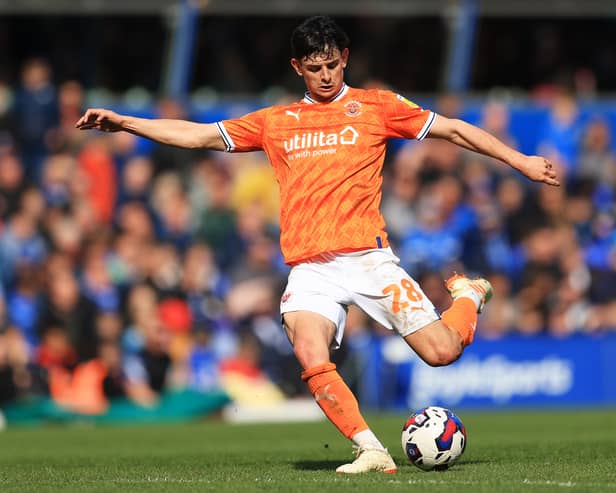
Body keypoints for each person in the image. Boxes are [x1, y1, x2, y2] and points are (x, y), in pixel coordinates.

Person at [76, 16, 559, 474]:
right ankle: (371, 449)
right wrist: (125, 122)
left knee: (442, 352)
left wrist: (520, 162)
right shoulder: (276, 121)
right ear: (297, 67)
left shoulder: (377, 106)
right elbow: (201, 135)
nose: (325, 75)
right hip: (311, 267)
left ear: (344, 58)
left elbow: (453, 128)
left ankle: (469, 295)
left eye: (332, 64)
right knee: (308, 351)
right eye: (314, 67)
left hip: (369, 259)